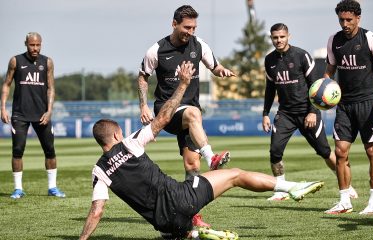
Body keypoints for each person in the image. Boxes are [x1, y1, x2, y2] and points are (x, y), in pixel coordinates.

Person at [79, 61, 325, 240]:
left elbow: (97, 210)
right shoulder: (129, 143)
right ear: (115, 135)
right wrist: (183, 84)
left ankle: (197, 234)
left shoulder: (99, 171)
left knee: (176, 231)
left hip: (164, 224)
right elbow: (163, 118)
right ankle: (291, 187)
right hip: (182, 199)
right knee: (235, 175)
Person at [137, 5, 236, 226]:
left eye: (194, 27)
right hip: (167, 111)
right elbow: (143, 76)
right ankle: (212, 157)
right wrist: (143, 106)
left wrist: (222, 71)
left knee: (192, 166)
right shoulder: (156, 50)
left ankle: (192, 215)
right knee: (193, 113)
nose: (190, 31)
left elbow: (215, 67)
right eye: (186, 27)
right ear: (174, 23)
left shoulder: (199, 45)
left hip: (191, 115)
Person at [262, 23, 357, 201]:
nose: (278, 40)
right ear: (271, 38)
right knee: (275, 151)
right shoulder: (269, 60)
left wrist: (313, 111)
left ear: (288, 36)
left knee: (325, 151)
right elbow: (269, 89)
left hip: (307, 112)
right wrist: (265, 113)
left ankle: (347, 185)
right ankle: (281, 190)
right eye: (275, 37)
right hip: (285, 114)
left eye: (282, 37)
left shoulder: (301, 55)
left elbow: (317, 84)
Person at [324, 0, 373, 215]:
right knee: (340, 151)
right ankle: (344, 201)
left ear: (358, 18)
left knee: (372, 152)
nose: (345, 23)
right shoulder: (334, 41)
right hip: (344, 105)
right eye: (341, 19)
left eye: (349, 20)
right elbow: (329, 71)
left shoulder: (370, 38)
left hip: (369, 103)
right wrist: (323, 91)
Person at [0, 32, 65, 199]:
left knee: (50, 150)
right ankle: (18, 189)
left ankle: (52, 187)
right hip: (20, 114)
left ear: (41, 44)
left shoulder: (47, 62)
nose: (35, 48)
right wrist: (2, 108)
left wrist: (49, 110)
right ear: (26, 44)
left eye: (38, 45)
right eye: (32, 45)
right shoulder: (16, 61)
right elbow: (6, 84)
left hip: (42, 114)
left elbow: (51, 87)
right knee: (17, 150)